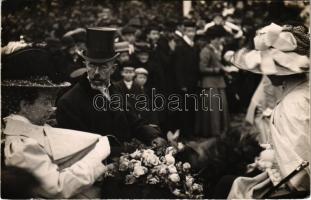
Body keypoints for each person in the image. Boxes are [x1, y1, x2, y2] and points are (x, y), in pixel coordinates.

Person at [1, 46, 112, 198]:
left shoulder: (30, 130)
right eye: (46, 102)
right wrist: (97, 157)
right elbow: (58, 188)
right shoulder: (22, 145)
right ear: (24, 105)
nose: (51, 108)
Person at [225, 23, 310, 199]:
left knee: (232, 185)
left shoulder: (291, 105)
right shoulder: (302, 92)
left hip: (294, 187)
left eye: (271, 68)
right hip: (292, 178)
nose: (267, 74)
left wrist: (270, 168)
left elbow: (298, 176)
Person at [56, 27, 166, 147]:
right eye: (92, 65)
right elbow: (80, 147)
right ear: (85, 65)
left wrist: (153, 137)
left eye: (103, 67)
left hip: (124, 160)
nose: (96, 72)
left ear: (113, 68)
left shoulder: (115, 90)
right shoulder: (69, 102)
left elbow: (133, 122)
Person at [195, 31, 229, 138]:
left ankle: (220, 130)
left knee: (220, 107)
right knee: (213, 109)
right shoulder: (206, 51)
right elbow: (202, 68)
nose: (220, 41)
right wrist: (217, 70)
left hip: (219, 83)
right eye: (218, 39)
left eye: (220, 39)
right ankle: (212, 132)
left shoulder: (217, 50)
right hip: (209, 83)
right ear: (212, 40)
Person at [172, 19, 200, 138]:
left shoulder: (195, 45)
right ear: (184, 31)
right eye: (188, 31)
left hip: (193, 82)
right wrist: (181, 84)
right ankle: (186, 133)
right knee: (185, 109)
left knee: (193, 107)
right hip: (184, 84)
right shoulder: (180, 46)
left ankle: (191, 132)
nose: (191, 33)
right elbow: (178, 67)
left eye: (193, 31)